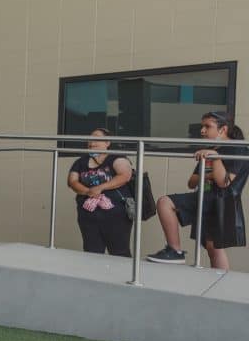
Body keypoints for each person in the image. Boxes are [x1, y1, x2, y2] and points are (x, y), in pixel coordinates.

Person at [146, 111, 247, 269]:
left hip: (222, 201)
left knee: (165, 202)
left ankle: (175, 251)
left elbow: (224, 182)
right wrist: (210, 172)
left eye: (207, 126)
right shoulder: (209, 149)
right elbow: (192, 182)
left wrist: (215, 157)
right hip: (205, 197)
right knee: (212, 247)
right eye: (202, 126)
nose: (202, 130)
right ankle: (178, 253)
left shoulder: (236, 149)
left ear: (223, 129)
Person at [66, 127, 133, 256]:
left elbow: (125, 175)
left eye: (96, 139)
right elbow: (72, 181)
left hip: (116, 213)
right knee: (92, 251)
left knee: (119, 252)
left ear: (107, 142)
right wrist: (88, 191)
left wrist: (100, 188)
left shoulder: (116, 158)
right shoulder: (81, 161)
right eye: (90, 140)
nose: (92, 143)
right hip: (88, 214)